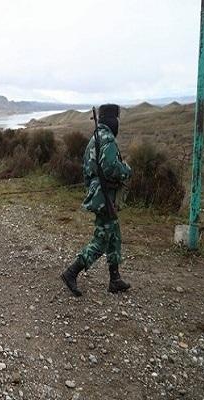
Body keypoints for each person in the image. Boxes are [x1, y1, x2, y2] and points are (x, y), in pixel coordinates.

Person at [61, 104, 132, 297]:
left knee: (114, 234)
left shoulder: (95, 139)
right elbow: (111, 168)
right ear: (112, 120)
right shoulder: (107, 139)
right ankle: (71, 272)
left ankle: (115, 279)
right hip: (105, 197)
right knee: (102, 239)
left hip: (99, 194)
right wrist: (126, 170)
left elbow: (86, 170)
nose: (117, 123)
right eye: (116, 120)